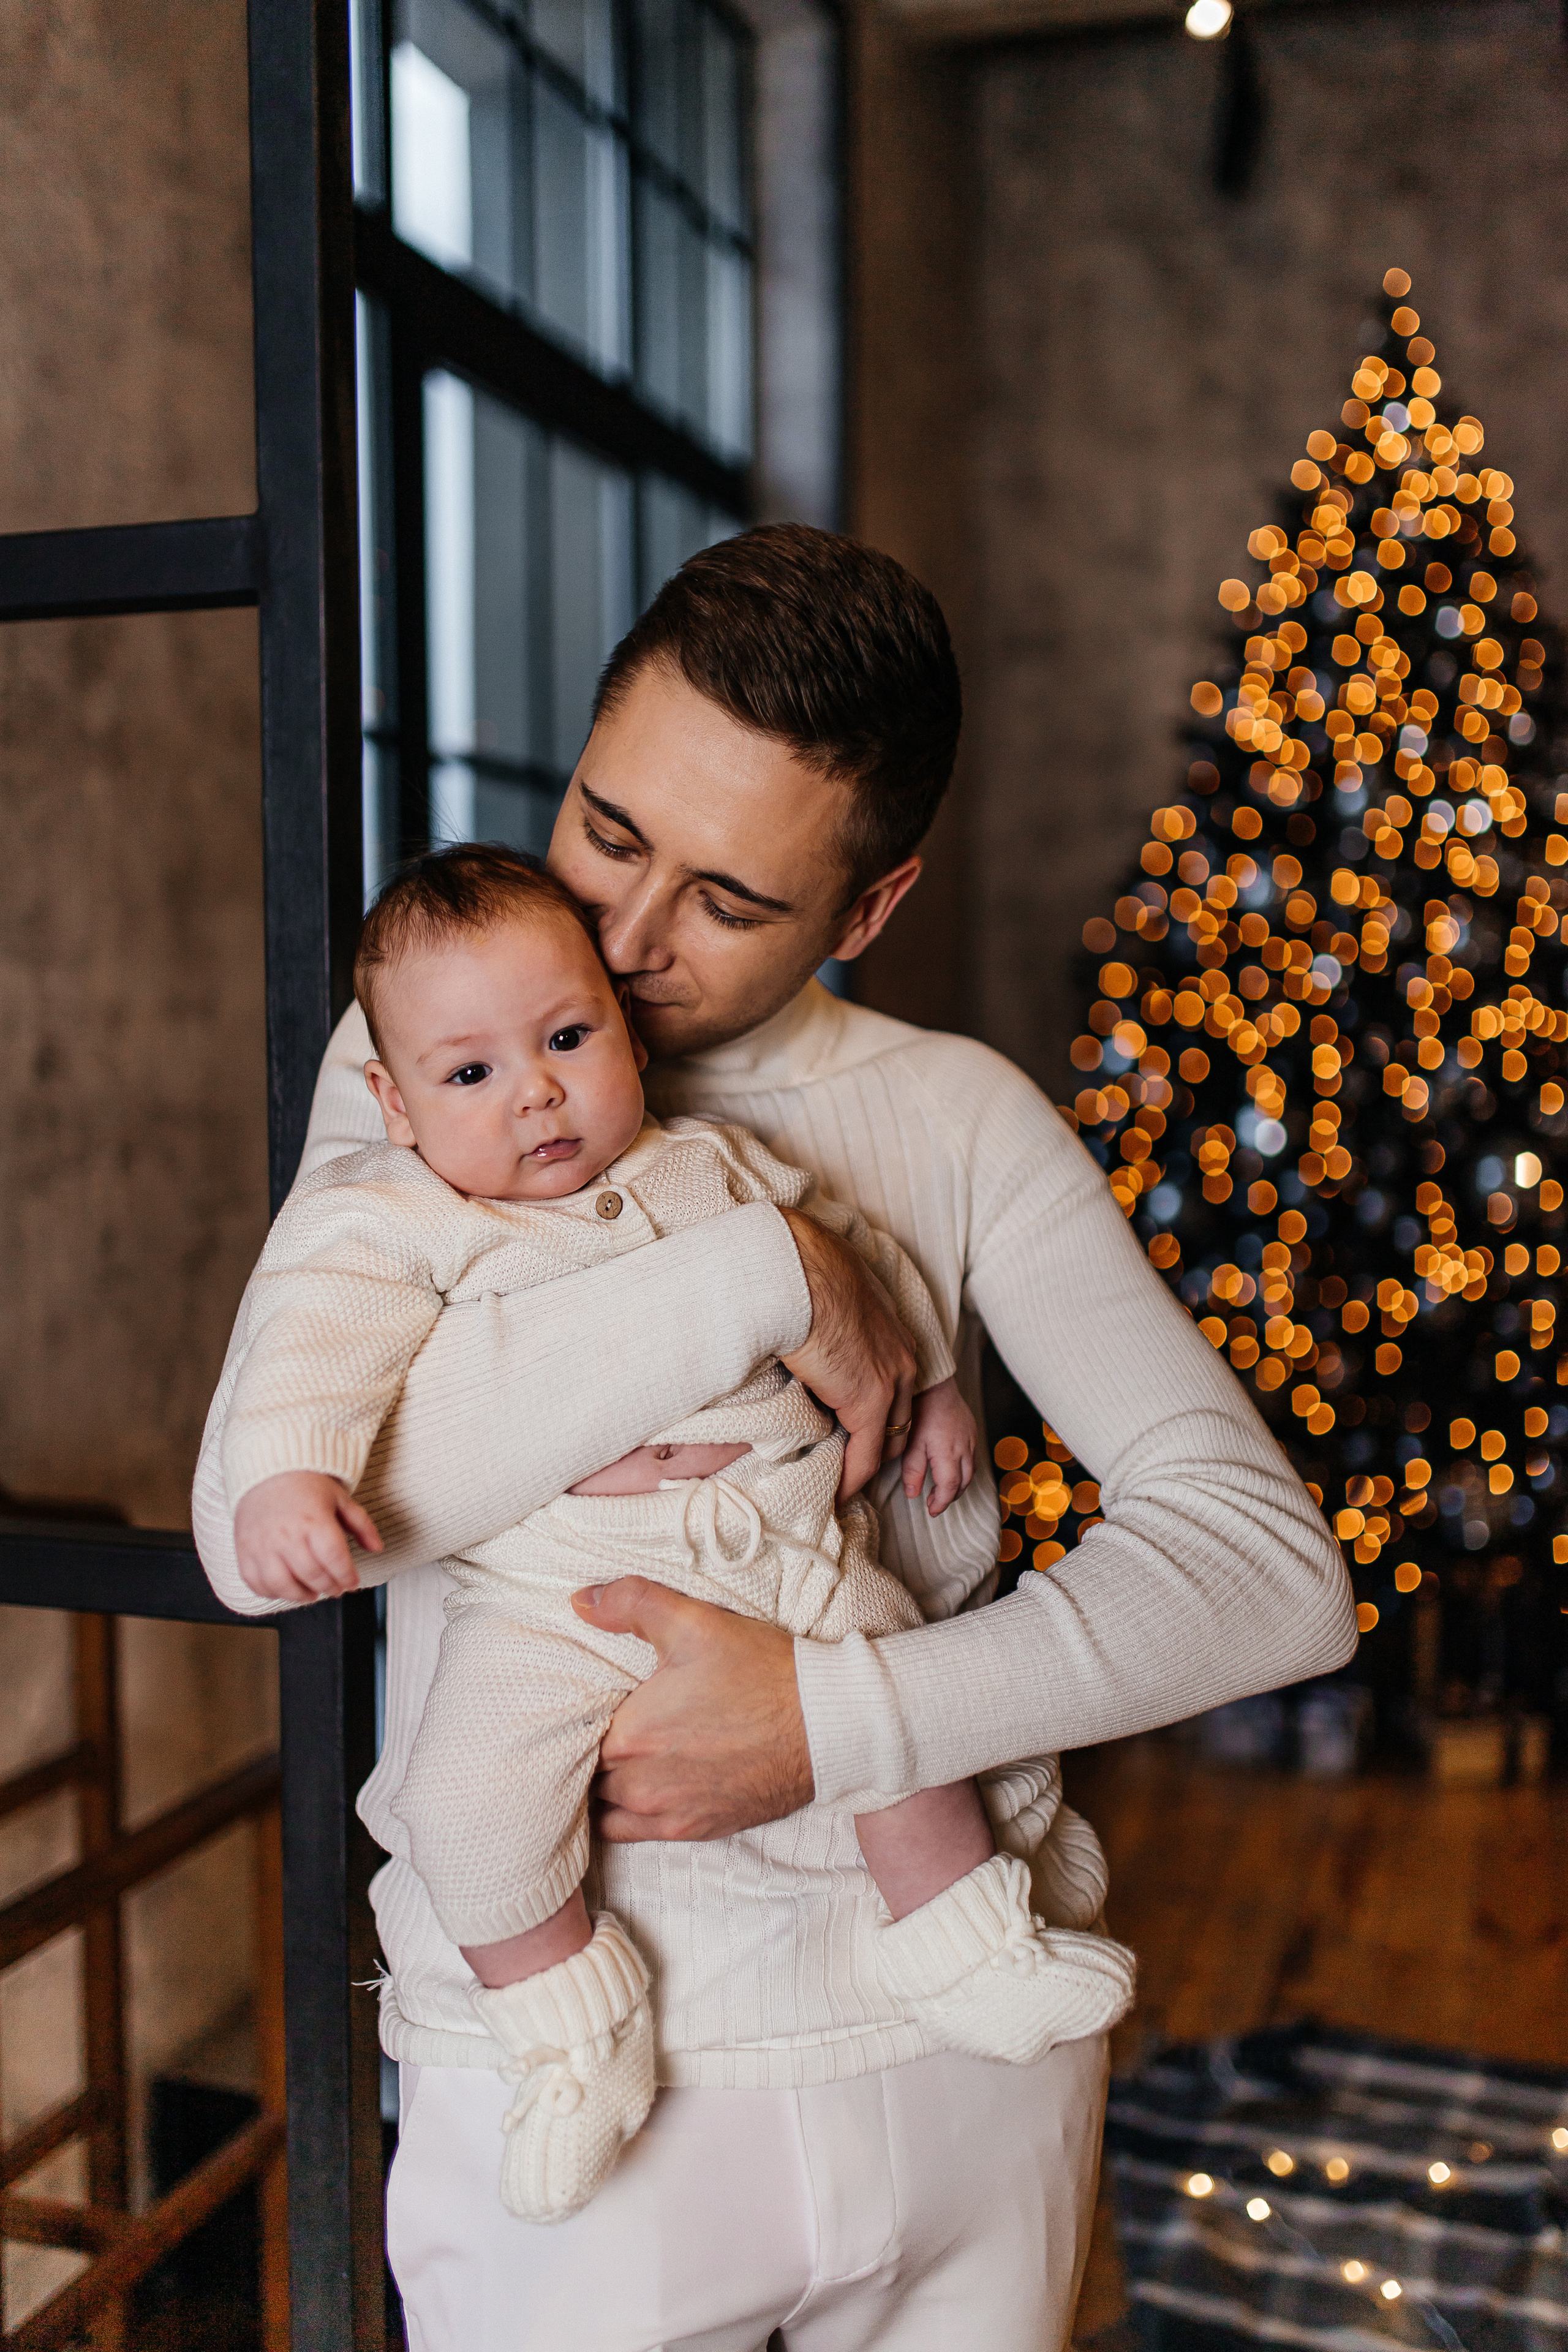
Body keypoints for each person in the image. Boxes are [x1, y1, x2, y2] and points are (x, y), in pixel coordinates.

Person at [195, 525, 1354, 2351]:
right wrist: (761, 1271)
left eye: (732, 901)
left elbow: (1270, 1581)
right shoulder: (427, 1068)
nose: (635, 942)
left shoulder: (956, 1116)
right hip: (585, 2115)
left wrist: (830, 1726)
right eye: (608, 831)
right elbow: (271, 1523)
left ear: (870, 909)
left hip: (968, 2075)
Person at [218, 843, 1134, 2226]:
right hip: (553, 1601)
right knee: (463, 1805)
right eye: (469, 1076)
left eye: (568, 1039)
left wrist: (934, 1382)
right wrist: (287, 1477)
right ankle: (570, 2036)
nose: (533, 1091)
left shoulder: (709, 1164)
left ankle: (962, 1946)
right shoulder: (393, 1219)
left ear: (621, 1032)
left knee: (900, 1710)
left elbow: (861, 1263)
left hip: (781, 1547)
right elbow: (312, 1347)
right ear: (392, 1107)